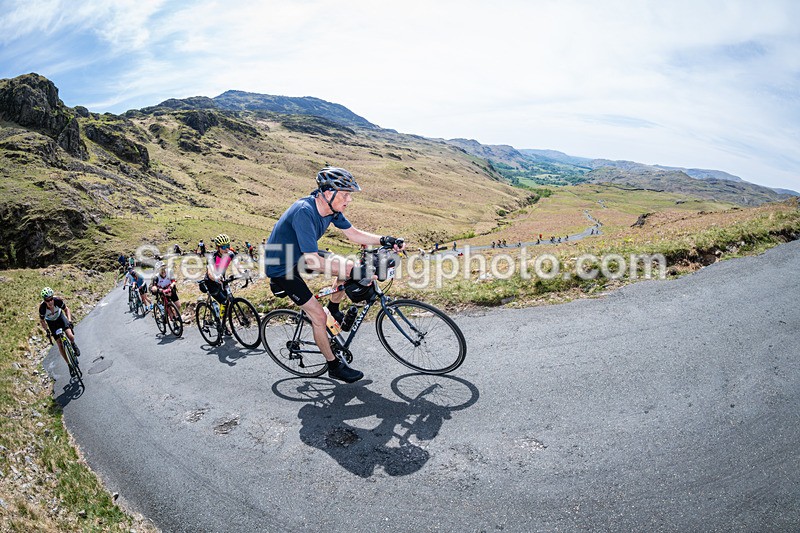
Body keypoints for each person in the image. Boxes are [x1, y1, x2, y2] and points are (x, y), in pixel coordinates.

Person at [265, 167, 405, 383]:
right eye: (345, 194)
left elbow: (353, 233)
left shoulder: (331, 211)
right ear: (327, 192)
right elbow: (313, 261)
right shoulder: (304, 211)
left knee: (346, 265)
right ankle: (333, 366)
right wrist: (355, 272)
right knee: (318, 317)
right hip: (281, 267)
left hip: (299, 254)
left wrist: (386, 239)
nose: (349, 200)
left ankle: (334, 309)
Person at [38, 288, 80, 374]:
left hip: (60, 318)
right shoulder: (42, 308)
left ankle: (73, 344)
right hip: (51, 323)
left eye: (51, 299)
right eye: (47, 300)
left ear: (53, 298)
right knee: (60, 344)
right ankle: (69, 364)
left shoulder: (57, 300)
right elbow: (42, 321)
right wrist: (47, 331)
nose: (50, 302)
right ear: (44, 300)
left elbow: (66, 309)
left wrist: (69, 320)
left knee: (70, 336)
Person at [204, 233, 236, 333]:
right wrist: (216, 278)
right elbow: (210, 272)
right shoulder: (212, 258)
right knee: (224, 301)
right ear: (218, 247)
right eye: (223, 247)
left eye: (228, 246)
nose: (226, 249)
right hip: (211, 282)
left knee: (228, 301)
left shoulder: (230, 254)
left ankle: (222, 320)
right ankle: (222, 323)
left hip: (222, 280)